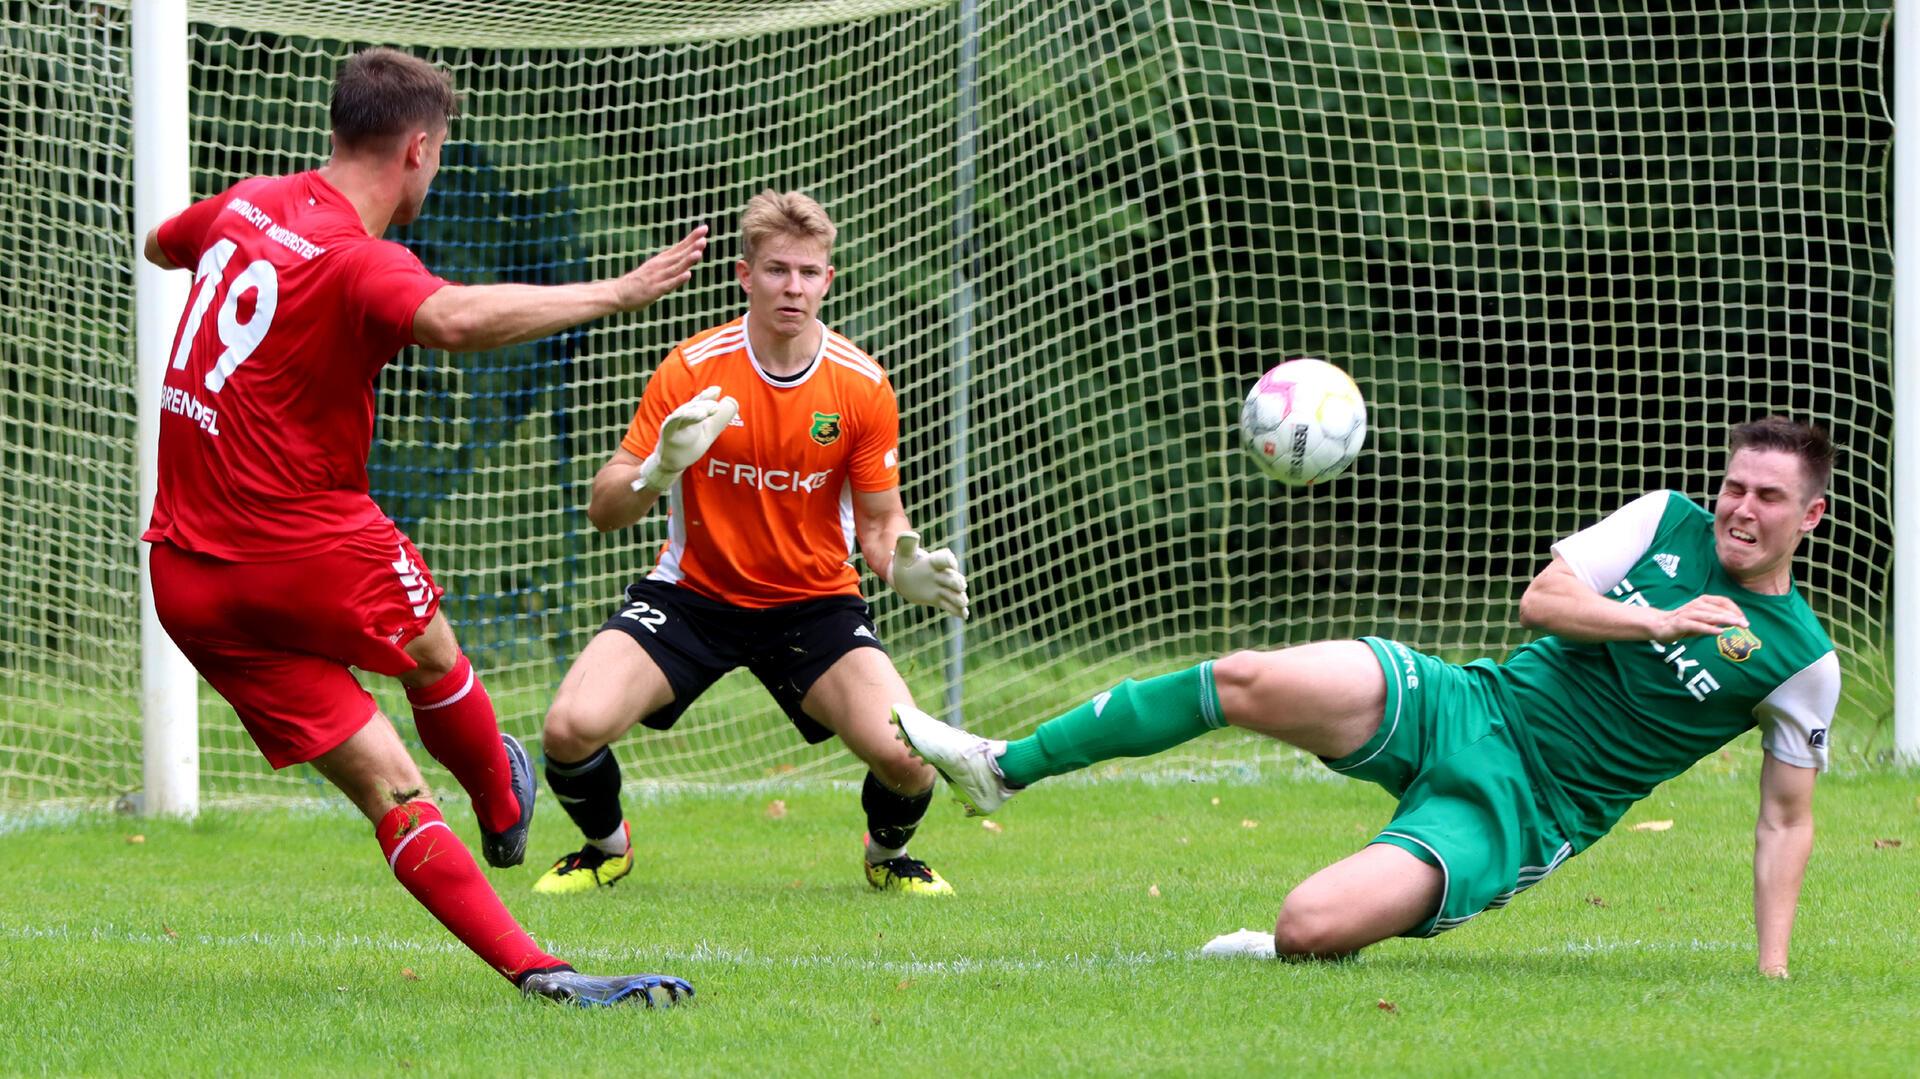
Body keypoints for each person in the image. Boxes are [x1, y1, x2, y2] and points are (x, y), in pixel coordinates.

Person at [140, 47, 707, 1007]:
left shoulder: (244, 204)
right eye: (437, 157)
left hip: (187, 579)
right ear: (417, 147)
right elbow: (449, 318)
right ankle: (500, 798)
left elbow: (163, 243)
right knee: (435, 651)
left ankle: (544, 972)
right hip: (308, 546)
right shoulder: (366, 261)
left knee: (391, 786)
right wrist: (614, 294)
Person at [898, 418, 1836, 977]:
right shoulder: (1664, 520)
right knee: (1245, 677)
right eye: (1733, 486)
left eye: (1766, 497)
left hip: (1522, 810)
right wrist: (1651, 622)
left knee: (1306, 931)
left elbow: (1784, 821)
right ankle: (1000, 768)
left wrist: (1771, 968)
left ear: (1810, 514)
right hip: (1467, 702)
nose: (1739, 509)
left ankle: (1283, 939)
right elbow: (1540, 600)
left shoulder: (1801, 661)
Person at [533, 189, 969, 898]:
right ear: (744, 275)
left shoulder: (862, 386)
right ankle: (605, 847)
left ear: (828, 279)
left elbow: (884, 527)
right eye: (775, 270)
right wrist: (657, 469)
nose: (791, 286)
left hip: (815, 603)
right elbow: (604, 509)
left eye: (806, 271)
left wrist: (901, 568)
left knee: (909, 757)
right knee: (568, 727)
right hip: (693, 595)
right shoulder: (693, 367)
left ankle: (887, 855)